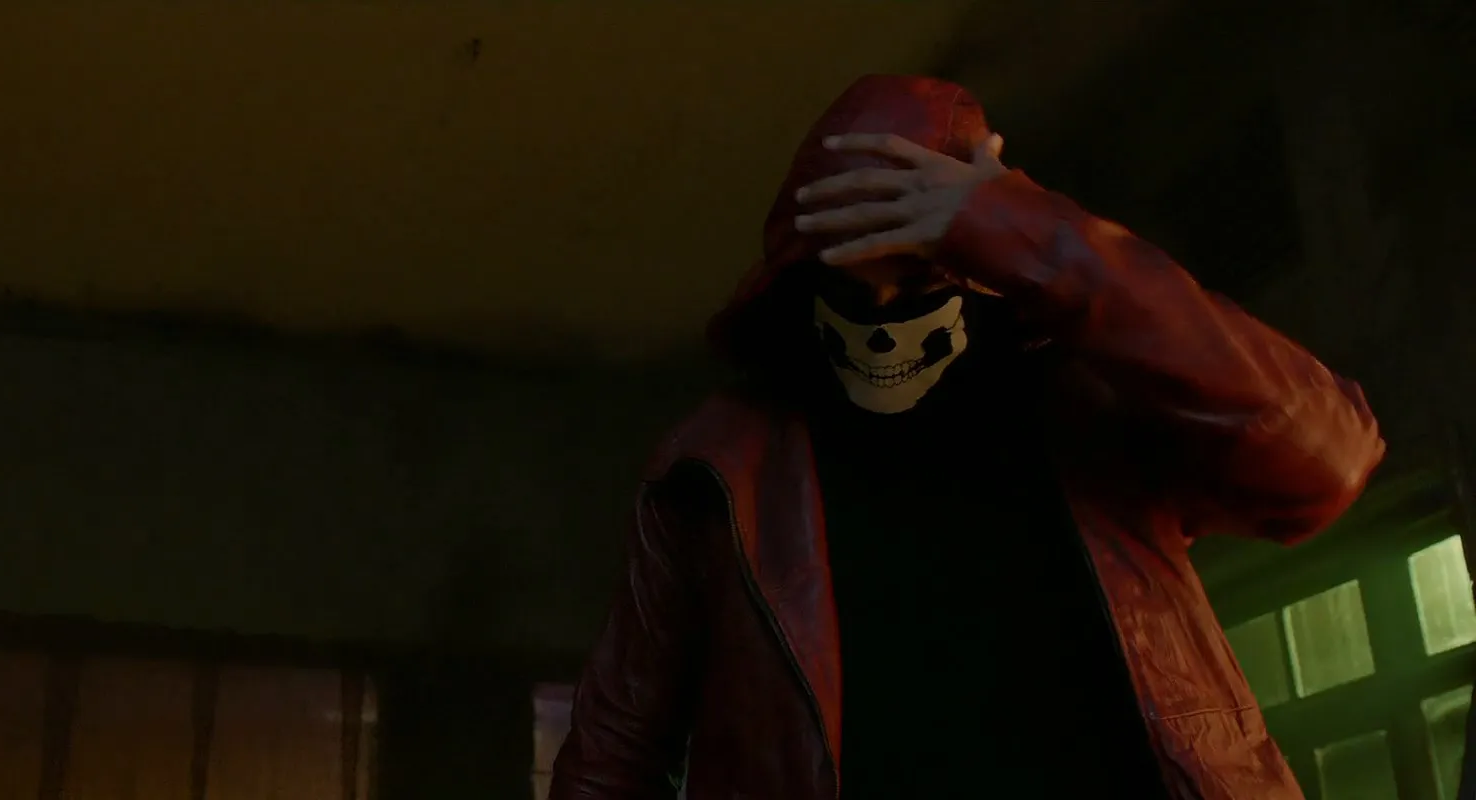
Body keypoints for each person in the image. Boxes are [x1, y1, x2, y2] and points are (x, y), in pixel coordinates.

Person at [546, 74, 1385, 800]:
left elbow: (1325, 456)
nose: (881, 314)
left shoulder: (1095, 398)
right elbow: (614, 749)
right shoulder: (716, 466)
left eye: (914, 275)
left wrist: (1027, 227)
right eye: (848, 281)